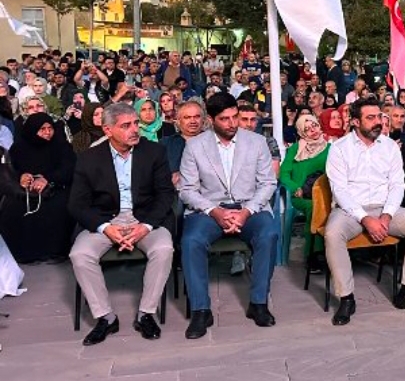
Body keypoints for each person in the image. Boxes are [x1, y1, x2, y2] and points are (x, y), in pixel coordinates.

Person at [67, 103, 175, 346]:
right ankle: (106, 317)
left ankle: (146, 314)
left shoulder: (154, 152)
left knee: (164, 249)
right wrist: (106, 228)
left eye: (136, 123)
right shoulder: (89, 158)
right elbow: (76, 204)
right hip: (105, 221)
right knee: (80, 254)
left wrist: (145, 226)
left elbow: (166, 195)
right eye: (126, 126)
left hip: (145, 219)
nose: (135, 129)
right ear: (108, 130)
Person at [178, 93, 279, 339]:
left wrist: (247, 212)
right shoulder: (194, 145)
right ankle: (201, 310)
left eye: (235, 117)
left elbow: (267, 183)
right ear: (211, 120)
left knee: (269, 233)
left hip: (249, 207)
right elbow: (187, 189)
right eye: (225, 119)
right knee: (191, 241)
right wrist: (215, 211)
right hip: (209, 209)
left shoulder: (256, 142)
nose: (232, 123)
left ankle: (258, 303)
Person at [323, 99, 405, 324]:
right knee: (333, 234)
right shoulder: (339, 148)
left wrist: (386, 215)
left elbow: (397, 185)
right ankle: (346, 298)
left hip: (385, 208)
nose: (378, 123)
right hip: (350, 209)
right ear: (355, 122)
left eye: (380, 117)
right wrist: (365, 219)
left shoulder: (390, 146)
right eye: (370, 118)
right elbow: (340, 190)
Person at [0, 113, 76, 264]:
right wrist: (22, 176)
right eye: (42, 129)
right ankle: (25, 253)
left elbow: (68, 169)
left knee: (59, 206)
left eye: (50, 128)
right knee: (13, 208)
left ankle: (55, 252)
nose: (47, 132)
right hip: (25, 190)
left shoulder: (61, 145)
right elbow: (12, 170)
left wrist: (48, 179)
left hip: (55, 186)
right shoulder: (20, 147)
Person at [279, 113, 331, 269]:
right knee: (314, 207)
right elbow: (283, 173)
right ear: (302, 133)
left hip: (324, 193)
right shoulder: (296, 148)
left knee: (331, 207)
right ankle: (313, 254)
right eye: (307, 129)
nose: (313, 130)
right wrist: (295, 188)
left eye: (314, 125)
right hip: (301, 195)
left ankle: (332, 252)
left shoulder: (330, 148)